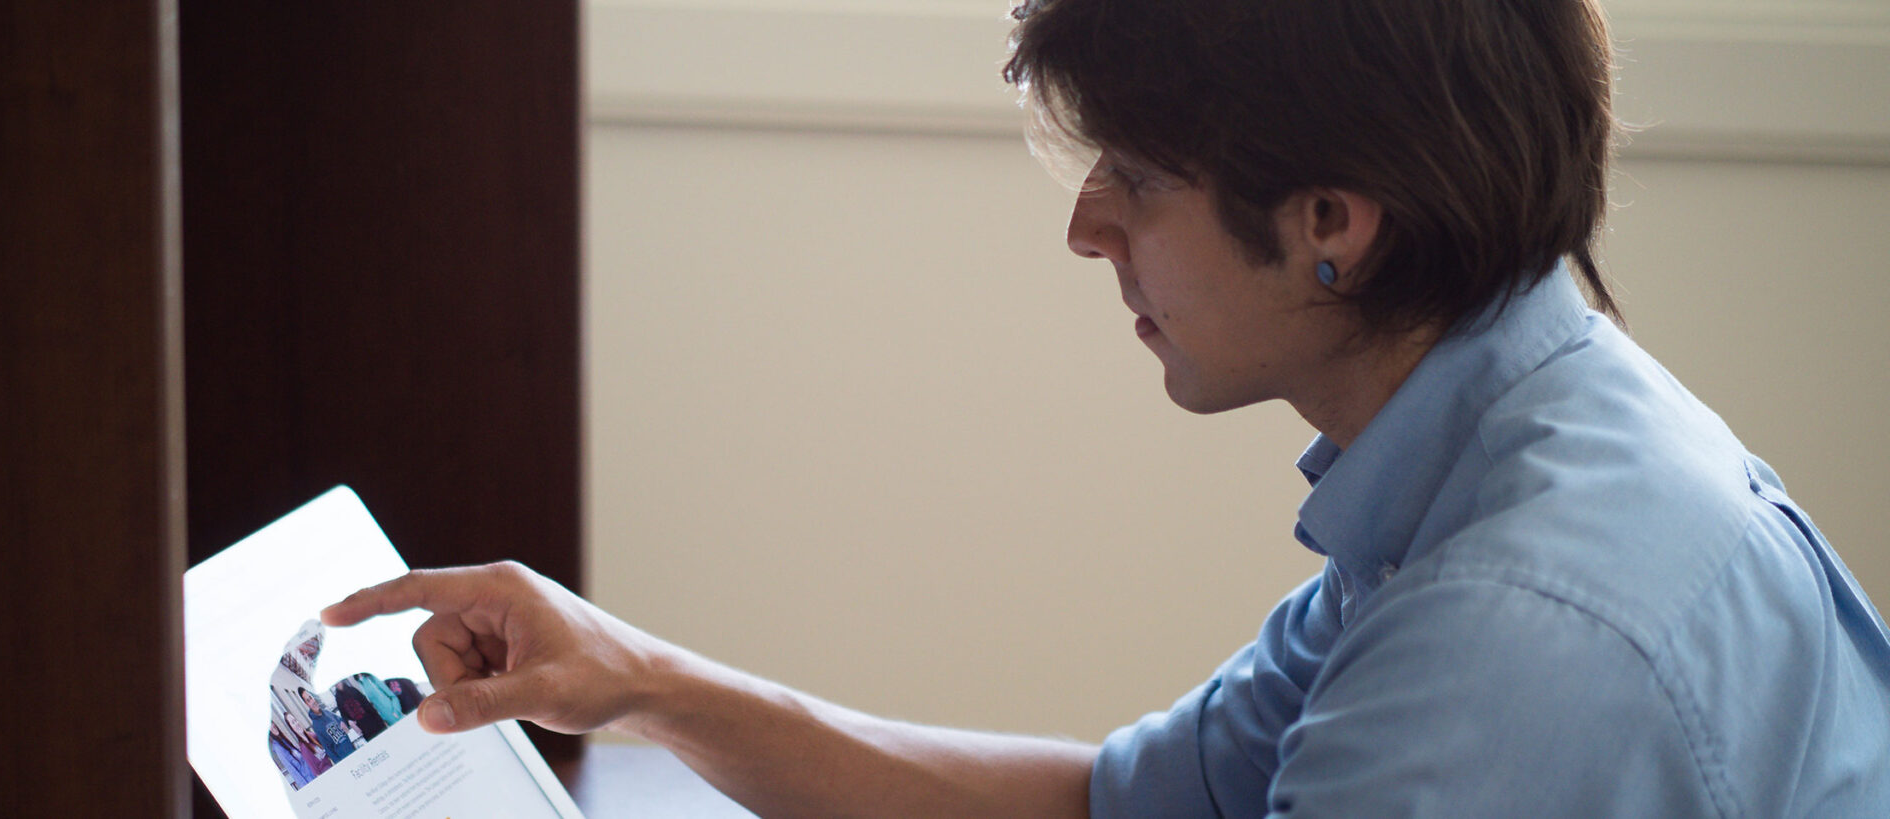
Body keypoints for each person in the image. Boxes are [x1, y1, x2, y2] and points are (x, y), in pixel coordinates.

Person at [322, 0, 1890, 816]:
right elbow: (1114, 806)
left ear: (1332, 224)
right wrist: (645, 684)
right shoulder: (1502, 444)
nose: (1089, 231)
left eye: (1135, 182)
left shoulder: (1519, 639)